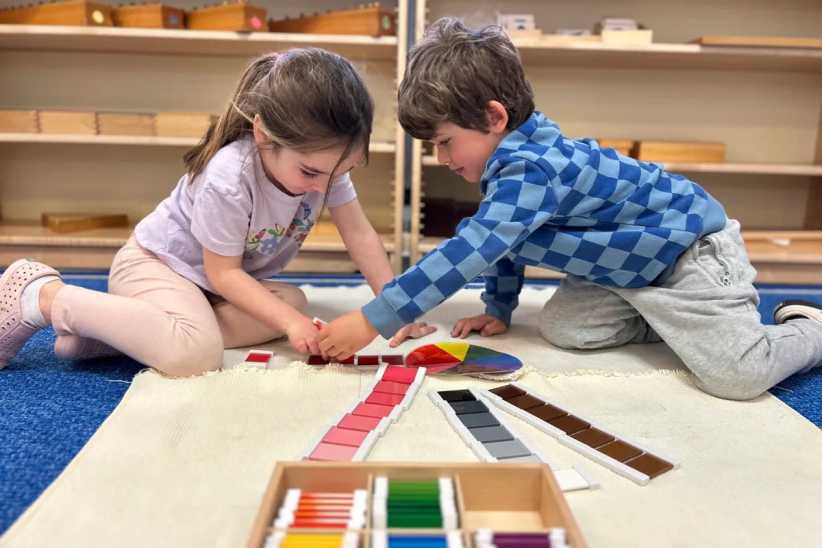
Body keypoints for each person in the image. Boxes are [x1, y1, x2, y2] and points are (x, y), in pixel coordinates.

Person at [317, 18, 822, 400]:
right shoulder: (508, 160)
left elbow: (474, 250)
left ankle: (809, 329)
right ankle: (673, 320)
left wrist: (372, 320)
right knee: (567, 332)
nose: (441, 159)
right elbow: (508, 241)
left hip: (690, 251)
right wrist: (499, 308)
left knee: (737, 375)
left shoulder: (532, 168)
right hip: (625, 266)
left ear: (495, 117)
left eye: (446, 142)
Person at [0, 48, 432, 377]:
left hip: (210, 287)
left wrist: (396, 307)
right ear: (264, 135)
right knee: (198, 355)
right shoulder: (229, 176)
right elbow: (224, 273)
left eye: (342, 170)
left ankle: (109, 336)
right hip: (156, 267)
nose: (324, 185)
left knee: (294, 302)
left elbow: (360, 236)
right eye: (310, 173)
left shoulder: (326, 165)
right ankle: (42, 295)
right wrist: (290, 323)